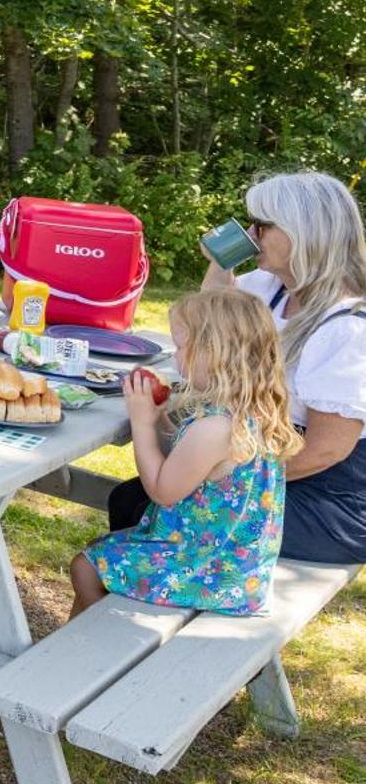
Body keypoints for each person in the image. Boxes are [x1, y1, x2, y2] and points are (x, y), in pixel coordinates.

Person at [110, 172, 366, 565]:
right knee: (130, 500)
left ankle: (161, 604)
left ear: (303, 233)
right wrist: (220, 262)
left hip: (329, 498)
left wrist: (225, 479)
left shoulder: (347, 328)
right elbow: (210, 329)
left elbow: (325, 450)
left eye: (261, 226)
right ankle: (137, 601)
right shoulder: (272, 285)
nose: (251, 234)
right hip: (261, 456)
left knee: (147, 506)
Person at [71, 290, 299, 617]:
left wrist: (142, 423)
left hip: (208, 574)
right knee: (100, 551)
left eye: (180, 347)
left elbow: (162, 490)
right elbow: (186, 459)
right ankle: (82, 650)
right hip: (236, 564)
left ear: (215, 352)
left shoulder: (216, 428)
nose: (175, 356)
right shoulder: (246, 411)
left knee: (86, 567)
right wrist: (161, 418)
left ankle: (104, 649)